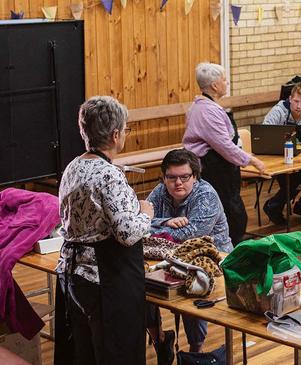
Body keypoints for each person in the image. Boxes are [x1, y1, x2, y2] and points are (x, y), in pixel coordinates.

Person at [54, 96, 153, 365]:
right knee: (115, 353)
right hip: (104, 276)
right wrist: (146, 213)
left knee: (85, 352)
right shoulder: (108, 174)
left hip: (73, 272)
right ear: (116, 134)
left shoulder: (73, 166)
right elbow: (127, 233)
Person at [145, 149, 232, 359]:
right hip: (170, 256)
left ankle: (196, 352)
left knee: (191, 287)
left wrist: (153, 225)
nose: (178, 183)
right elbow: (140, 222)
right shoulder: (160, 191)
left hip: (212, 260)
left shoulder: (206, 195)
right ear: (163, 177)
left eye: (185, 177)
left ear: (195, 176)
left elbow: (188, 236)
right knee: (140, 283)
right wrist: (164, 222)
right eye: (171, 177)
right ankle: (161, 341)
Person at [183, 62, 266, 245]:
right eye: (224, 80)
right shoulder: (207, 111)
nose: (226, 83)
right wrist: (251, 160)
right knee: (231, 213)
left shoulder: (202, 106)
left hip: (217, 166)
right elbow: (225, 146)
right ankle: (231, 251)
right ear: (214, 85)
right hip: (215, 169)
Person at [262, 82, 301, 224]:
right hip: (276, 158)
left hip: (296, 158)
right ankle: (274, 206)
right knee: (298, 178)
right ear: (290, 99)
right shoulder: (278, 112)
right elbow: (264, 135)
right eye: (296, 101)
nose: (298, 106)